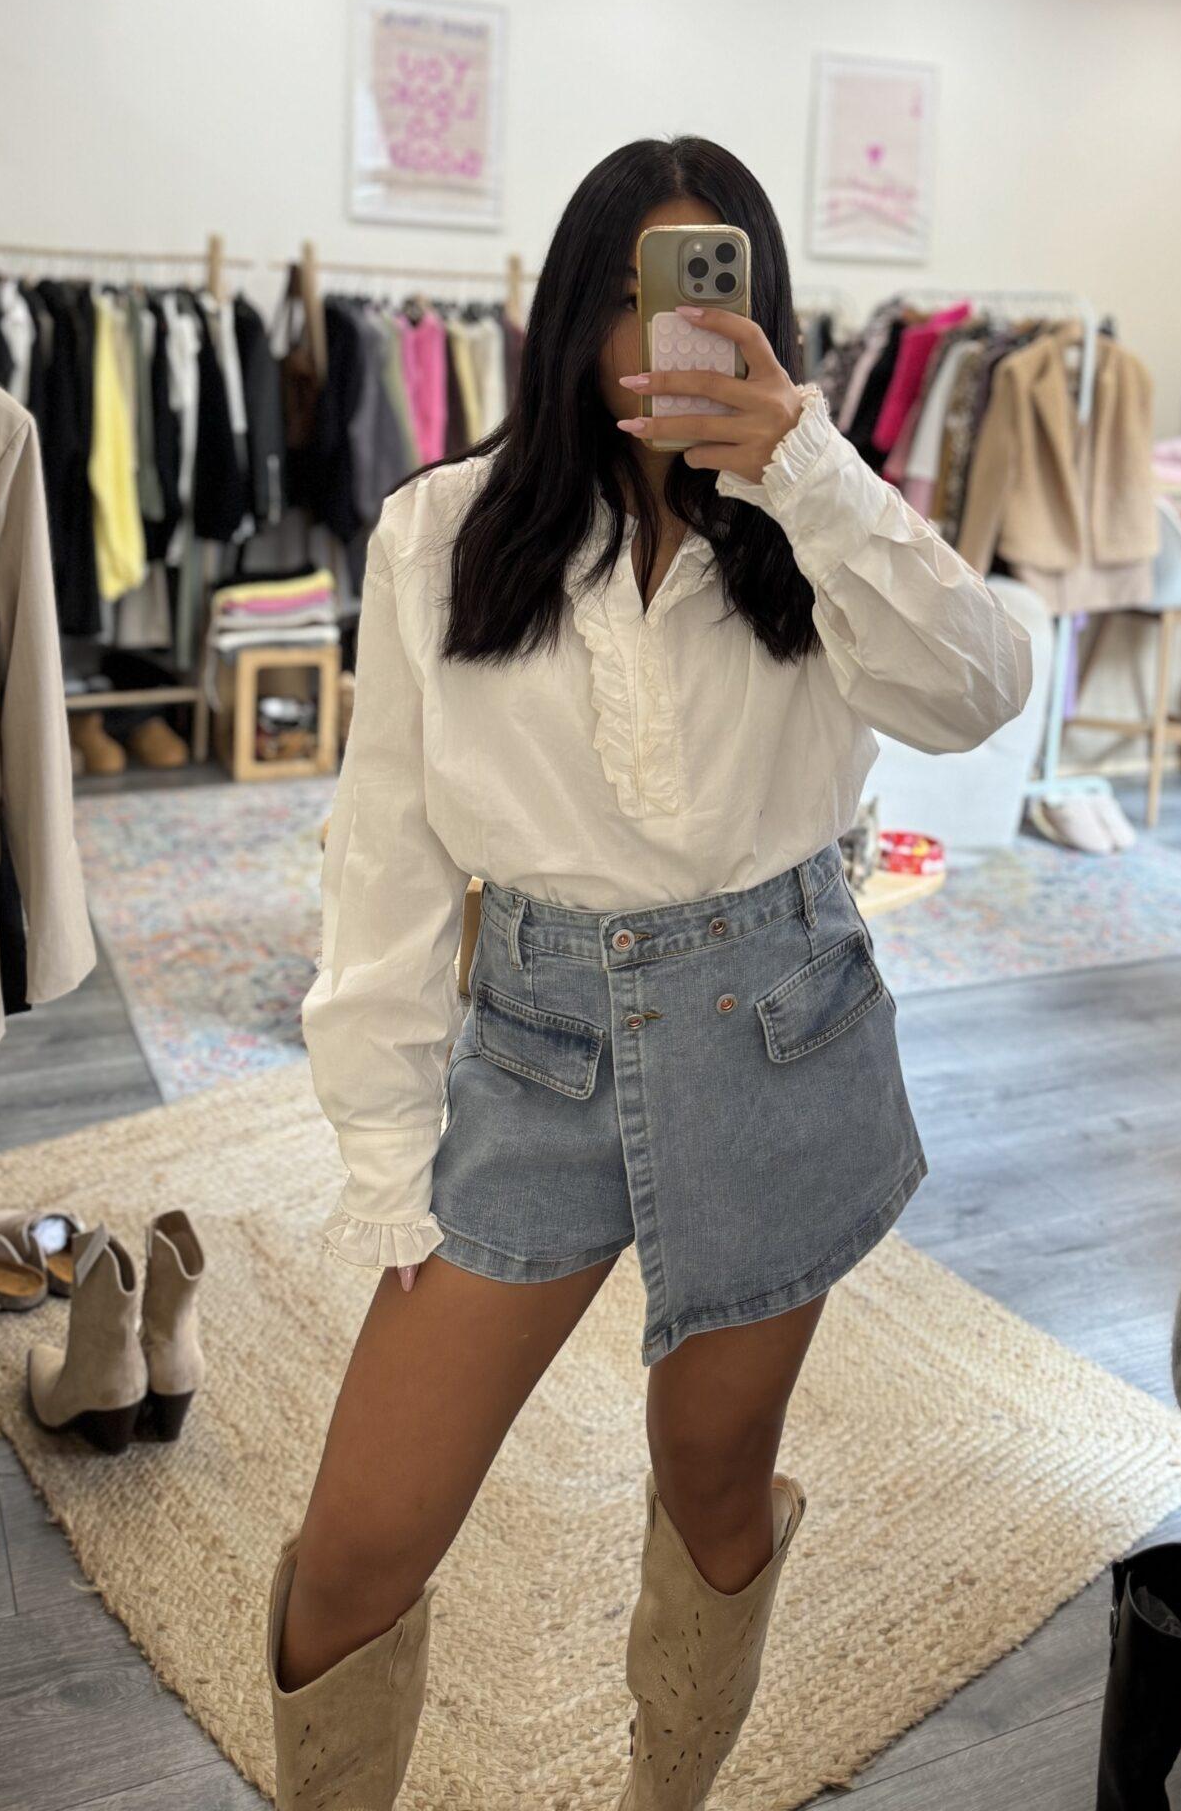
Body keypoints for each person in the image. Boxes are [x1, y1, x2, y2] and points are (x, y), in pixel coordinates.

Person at [268, 136, 1033, 1808]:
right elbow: (385, 859)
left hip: (778, 1036)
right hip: (532, 1057)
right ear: (571, 314)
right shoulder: (437, 533)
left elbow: (983, 692)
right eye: (629, 294)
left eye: (700, 291)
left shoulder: (815, 523)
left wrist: (808, 468)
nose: (659, 335)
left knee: (715, 1496)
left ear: (757, 310)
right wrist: (385, 1155)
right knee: (356, 1548)